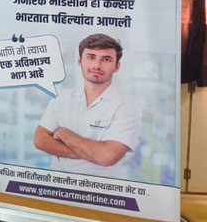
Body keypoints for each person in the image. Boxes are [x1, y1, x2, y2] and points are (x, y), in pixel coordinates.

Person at [33, 33, 140, 178]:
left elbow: (107, 157)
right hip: (58, 184)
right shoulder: (62, 98)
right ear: (80, 61)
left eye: (106, 59)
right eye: (90, 57)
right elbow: (40, 140)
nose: (96, 65)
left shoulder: (127, 106)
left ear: (117, 67)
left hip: (103, 188)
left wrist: (64, 134)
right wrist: (91, 153)